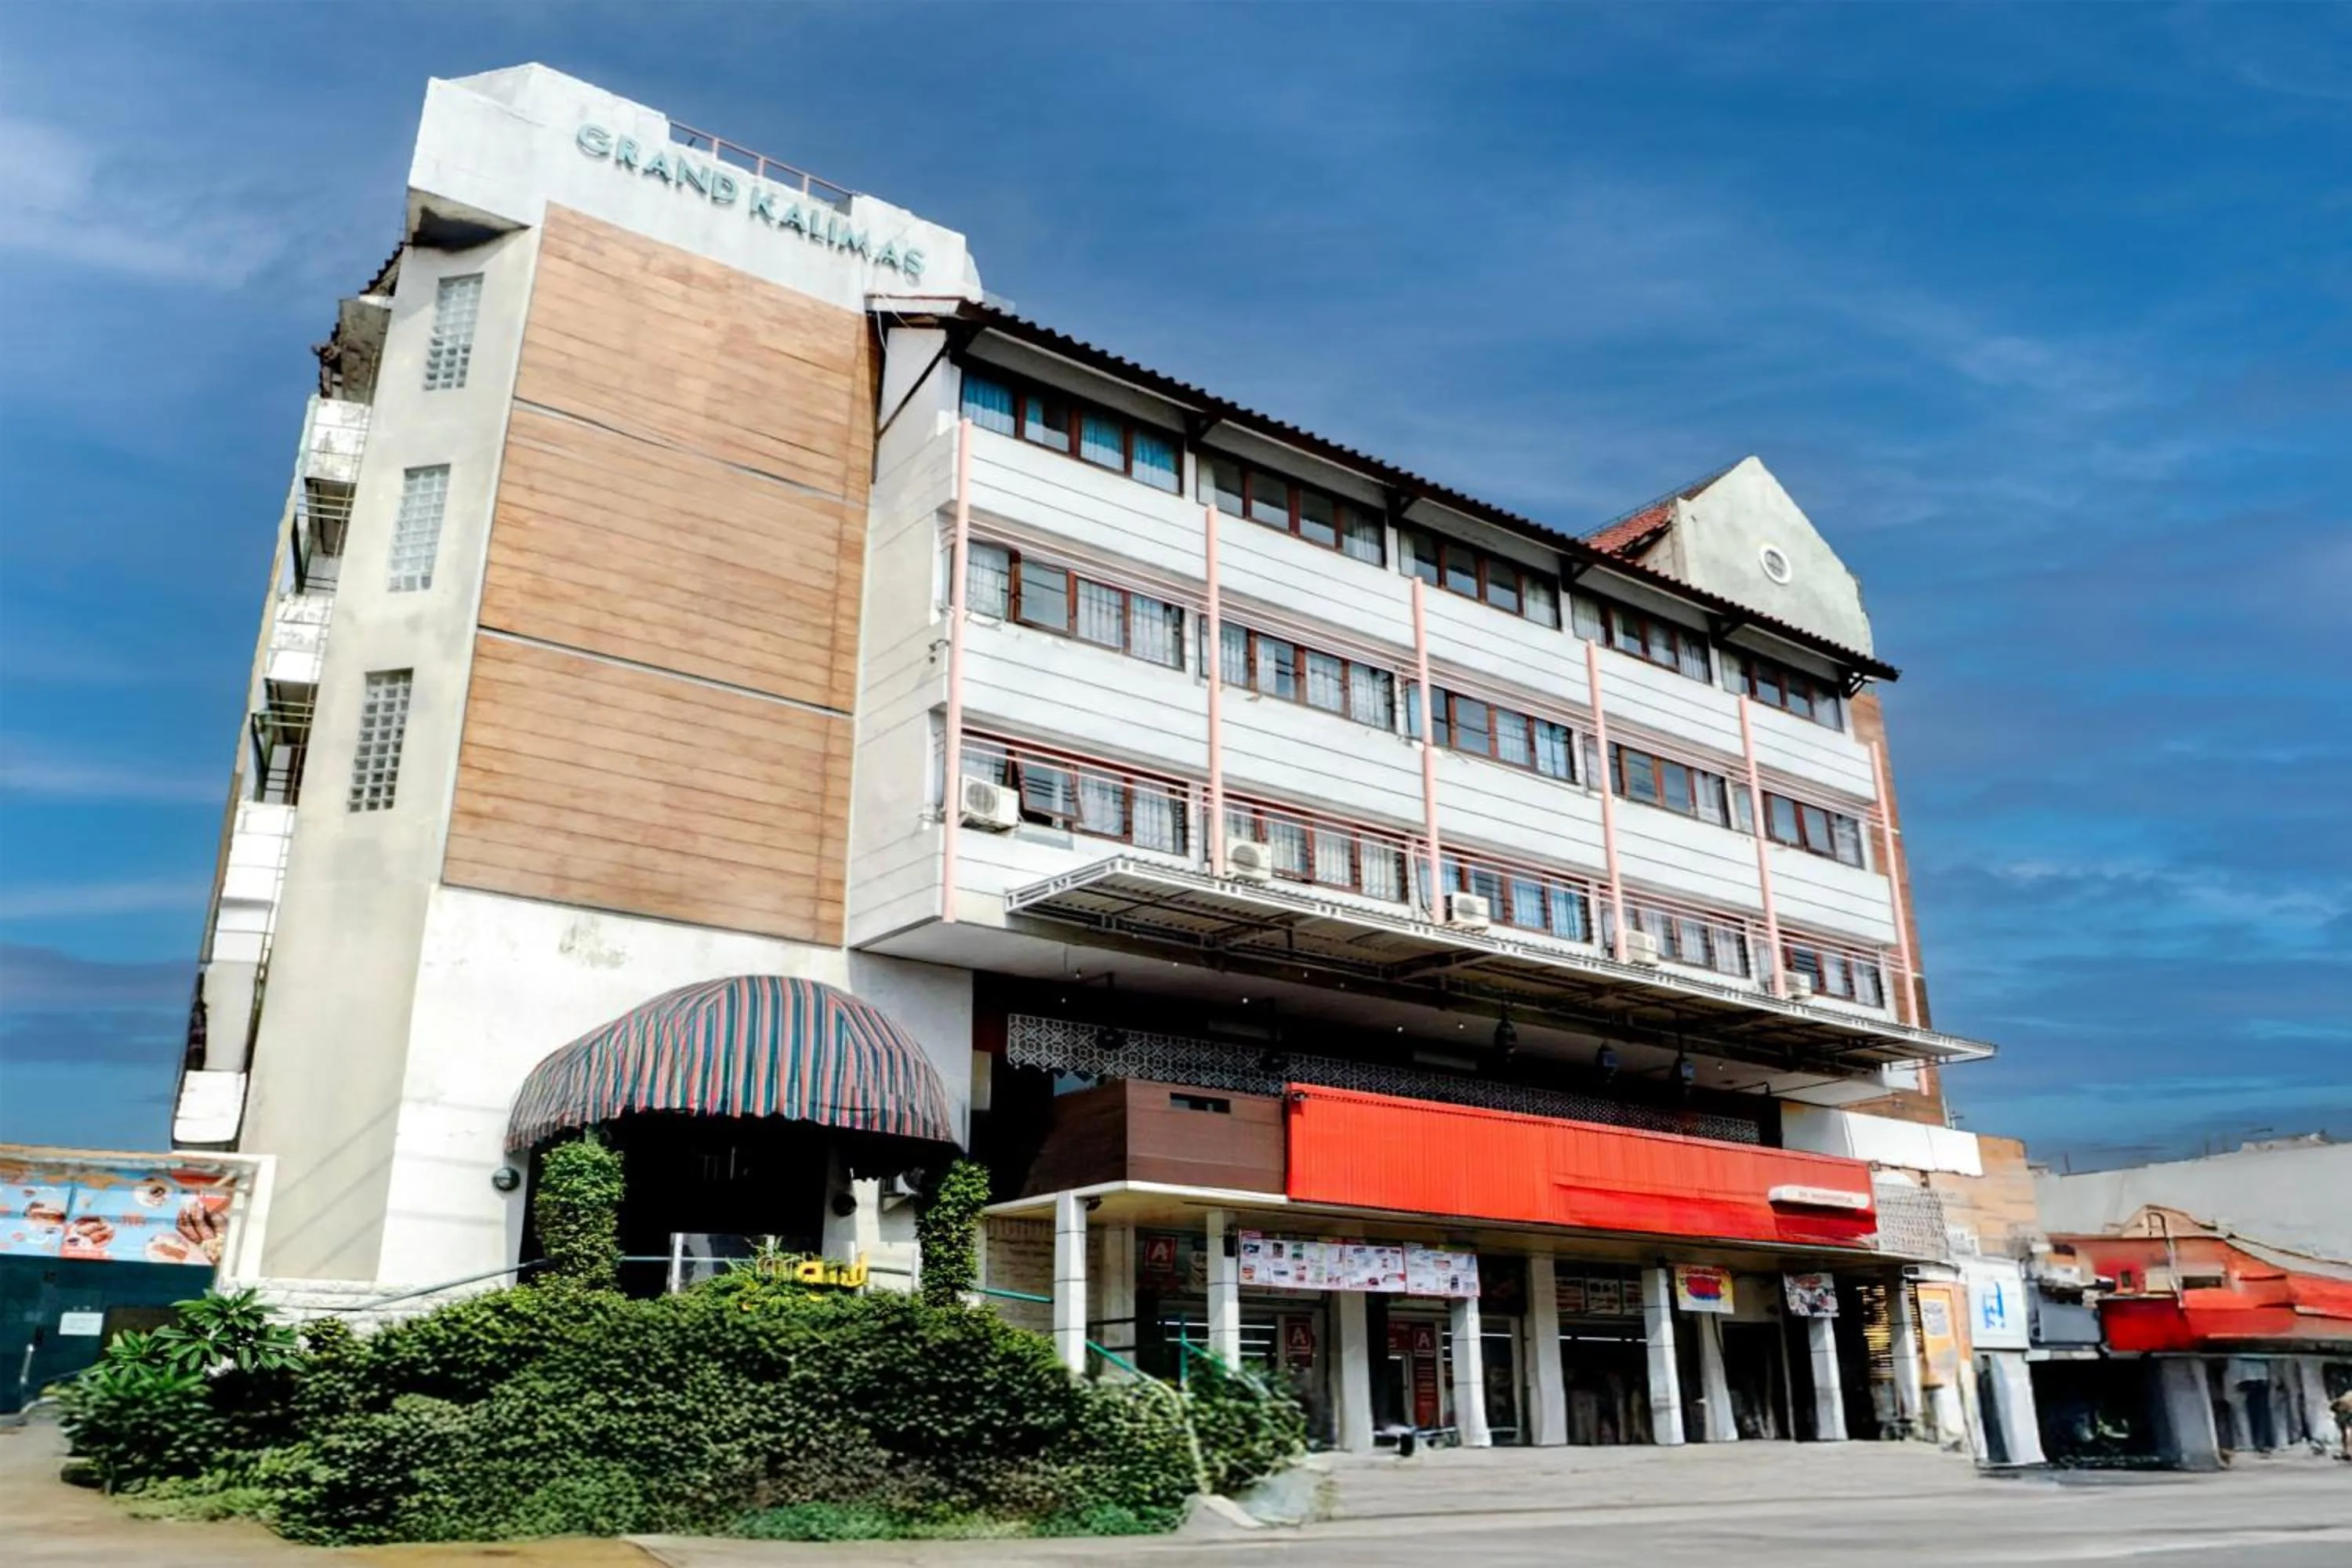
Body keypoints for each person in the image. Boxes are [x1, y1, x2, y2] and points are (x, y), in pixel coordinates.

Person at [2332, 1386, 2352, 1461]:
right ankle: (2346, 1451)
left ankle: (2346, 1451)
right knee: (2345, 1433)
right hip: (2345, 1412)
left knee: (2345, 1434)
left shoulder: (2347, 1397)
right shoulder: (2347, 1398)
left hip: (2344, 1412)